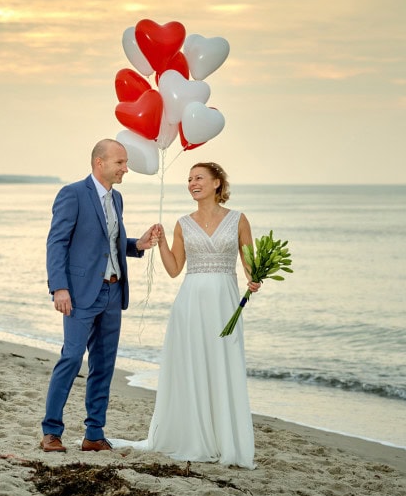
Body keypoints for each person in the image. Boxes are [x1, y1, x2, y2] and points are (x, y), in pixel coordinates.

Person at [115, 161, 261, 467]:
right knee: (193, 366)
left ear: (217, 183)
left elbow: (249, 262)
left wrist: (255, 277)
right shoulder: (183, 222)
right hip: (190, 305)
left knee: (223, 363)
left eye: (199, 178)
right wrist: (162, 241)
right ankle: (195, 437)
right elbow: (173, 269)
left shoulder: (238, 220)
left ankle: (224, 439)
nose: (192, 183)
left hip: (224, 302)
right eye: (190, 179)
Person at [40, 139, 158, 453]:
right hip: (79, 294)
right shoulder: (73, 194)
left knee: (104, 365)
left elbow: (110, 243)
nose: (125, 168)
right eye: (120, 162)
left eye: (126, 162)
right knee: (71, 358)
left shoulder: (117, 199)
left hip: (113, 292)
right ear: (99, 163)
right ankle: (51, 431)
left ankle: (94, 434)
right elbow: (57, 243)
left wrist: (138, 245)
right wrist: (59, 287)